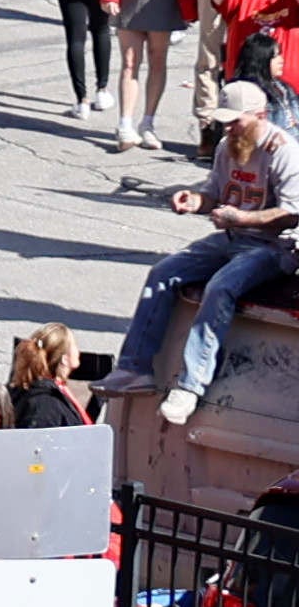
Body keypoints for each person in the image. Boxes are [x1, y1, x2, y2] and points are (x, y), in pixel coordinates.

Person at [122, 79, 297, 423]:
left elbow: (292, 212)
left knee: (221, 286)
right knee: (163, 272)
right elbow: (214, 196)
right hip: (231, 238)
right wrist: (195, 201)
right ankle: (134, 369)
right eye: (225, 121)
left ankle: (191, 385)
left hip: (273, 247)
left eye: (236, 121)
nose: (229, 128)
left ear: (260, 115)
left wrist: (242, 217)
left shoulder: (283, 150)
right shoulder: (226, 147)